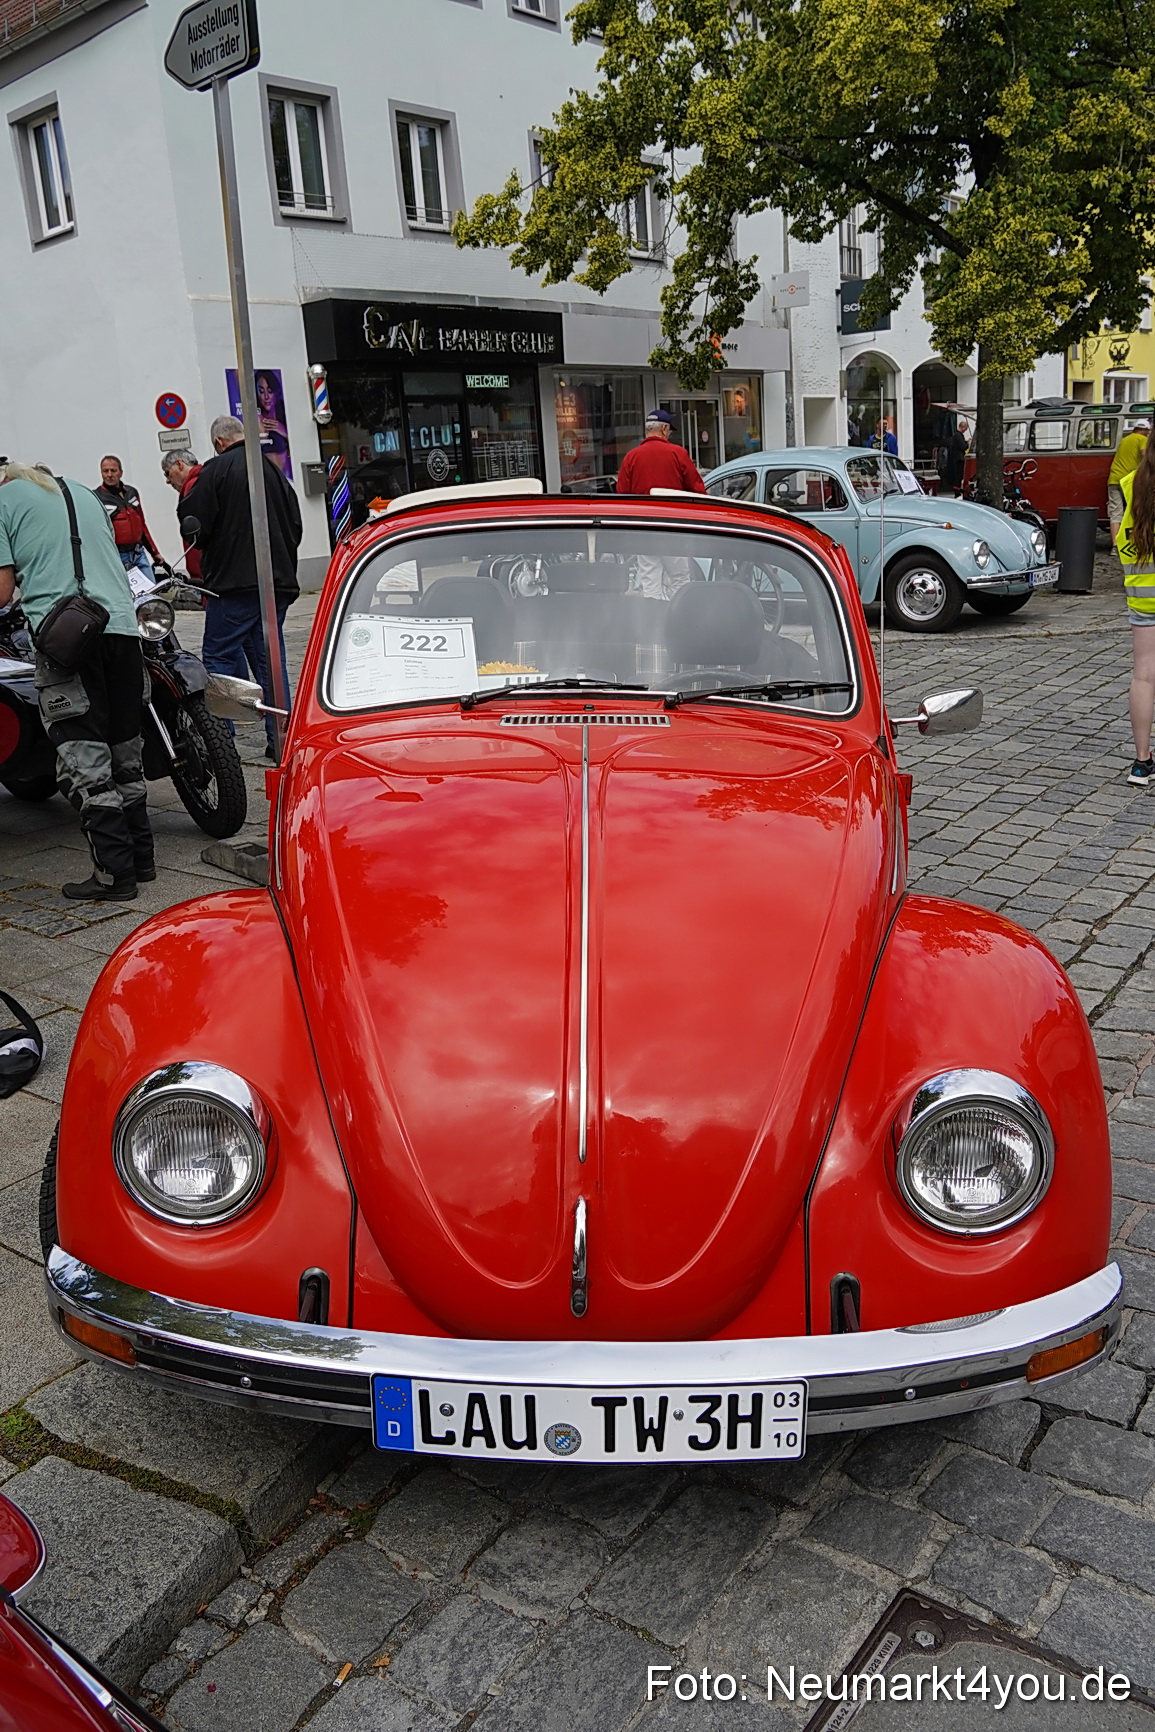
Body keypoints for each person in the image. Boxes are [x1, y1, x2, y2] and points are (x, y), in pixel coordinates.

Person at [0, 460, 153, 900]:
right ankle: (141, 862)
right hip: (122, 629)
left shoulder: (4, 501)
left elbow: (2, 591)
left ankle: (113, 876)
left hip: (67, 635)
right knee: (125, 748)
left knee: (83, 756)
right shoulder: (86, 495)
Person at [182, 415, 302, 756]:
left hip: (234, 585)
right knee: (269, 661)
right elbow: (296, 524)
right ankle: (282, 741)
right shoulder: (274, 471)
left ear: (219, 443)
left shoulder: (216, 470)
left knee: (218, 654)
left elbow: (196, 527)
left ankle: (222, 745)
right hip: (276, 582)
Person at [1118, 434, 1155, 786]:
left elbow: (1119, 534)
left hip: (1143, 595)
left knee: (1143, 675)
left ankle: (1142, 763)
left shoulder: (1131, 483)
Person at [95, 455, 162, 594]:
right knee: (126, 596)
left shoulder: (132, 492)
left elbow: (141, 525)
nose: (109, 475)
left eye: (113, 470)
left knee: (151, 593)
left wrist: (155, 553)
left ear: (121, 472)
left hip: (138, 553)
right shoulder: (97, 497)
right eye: (105, 471)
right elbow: (97, 533)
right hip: (117, 556)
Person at [616, 410, 706, 496]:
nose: (669, 434)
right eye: (669, 431)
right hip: (673, 510)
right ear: (664, 428)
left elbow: (622, 492)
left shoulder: (630, 457)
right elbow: (697, 489)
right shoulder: (678, 453)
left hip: (642, 510)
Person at [160, 449, 203, 581]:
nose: (167, 480)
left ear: (179, 465)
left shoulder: (193, 486)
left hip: (205, 573)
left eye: (168, 473)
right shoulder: (205, 479)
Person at [1109, 419, 1149, 548]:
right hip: (1129, 481)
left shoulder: (1125, 440)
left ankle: (1115, 546)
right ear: (1146, 431)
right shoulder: (1142, 439)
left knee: (1116, 513)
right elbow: (1145, 455)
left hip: (1114, 479)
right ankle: (1137, 543)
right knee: (1136, 511)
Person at [945, 419, 970, 495]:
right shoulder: (958, 435)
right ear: (963, 427)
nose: (965, 431)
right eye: (965, 429)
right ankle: (957, 492)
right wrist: (968, 444)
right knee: (959, 476)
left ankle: (957, 491)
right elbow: (962, 447)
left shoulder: (956, 435)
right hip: (959, 458)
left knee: (958, 476)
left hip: (957, 457)